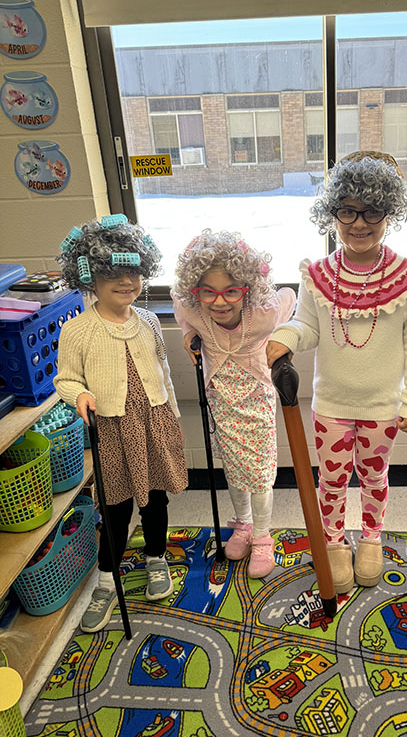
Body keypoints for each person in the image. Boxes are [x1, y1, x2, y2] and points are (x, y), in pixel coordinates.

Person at [266, 151, 407, 593]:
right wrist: (285, 336)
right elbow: (307, 325)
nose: (359, 223)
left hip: (383, 406)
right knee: (333, 479)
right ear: (332, 215)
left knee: (376, 477)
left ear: (388, 213)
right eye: (347, 212)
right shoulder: (318, 275)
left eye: (372, 212)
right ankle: (335, 541)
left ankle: (373, 538)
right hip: (332, 405)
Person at [54, 214, 188, 633]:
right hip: (112, 429)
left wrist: (174, 417)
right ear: (90, 277)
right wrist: (80, 395)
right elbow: (66, 377)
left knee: (156, 499)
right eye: (113, 274)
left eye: (133, 272)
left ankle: (155, 557)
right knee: (114, 506)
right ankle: (107, 578)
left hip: (154, 420)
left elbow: (162, 371)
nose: (126, 282)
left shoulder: (148, 321)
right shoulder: (77, 330)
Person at [171, 230, 295, 578]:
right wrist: (186, 334)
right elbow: (178, 304)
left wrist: (283, 339)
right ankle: (243, 524)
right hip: (220, 401)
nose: (219, 302)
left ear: (248, 289)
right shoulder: (194, 309)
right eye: (207, 291)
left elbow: (289, 296)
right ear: (196, 290)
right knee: (233, 470)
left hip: (256, 401)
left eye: (230, 291)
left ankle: (262, 536)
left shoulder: (265, 314)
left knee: (258, 475)